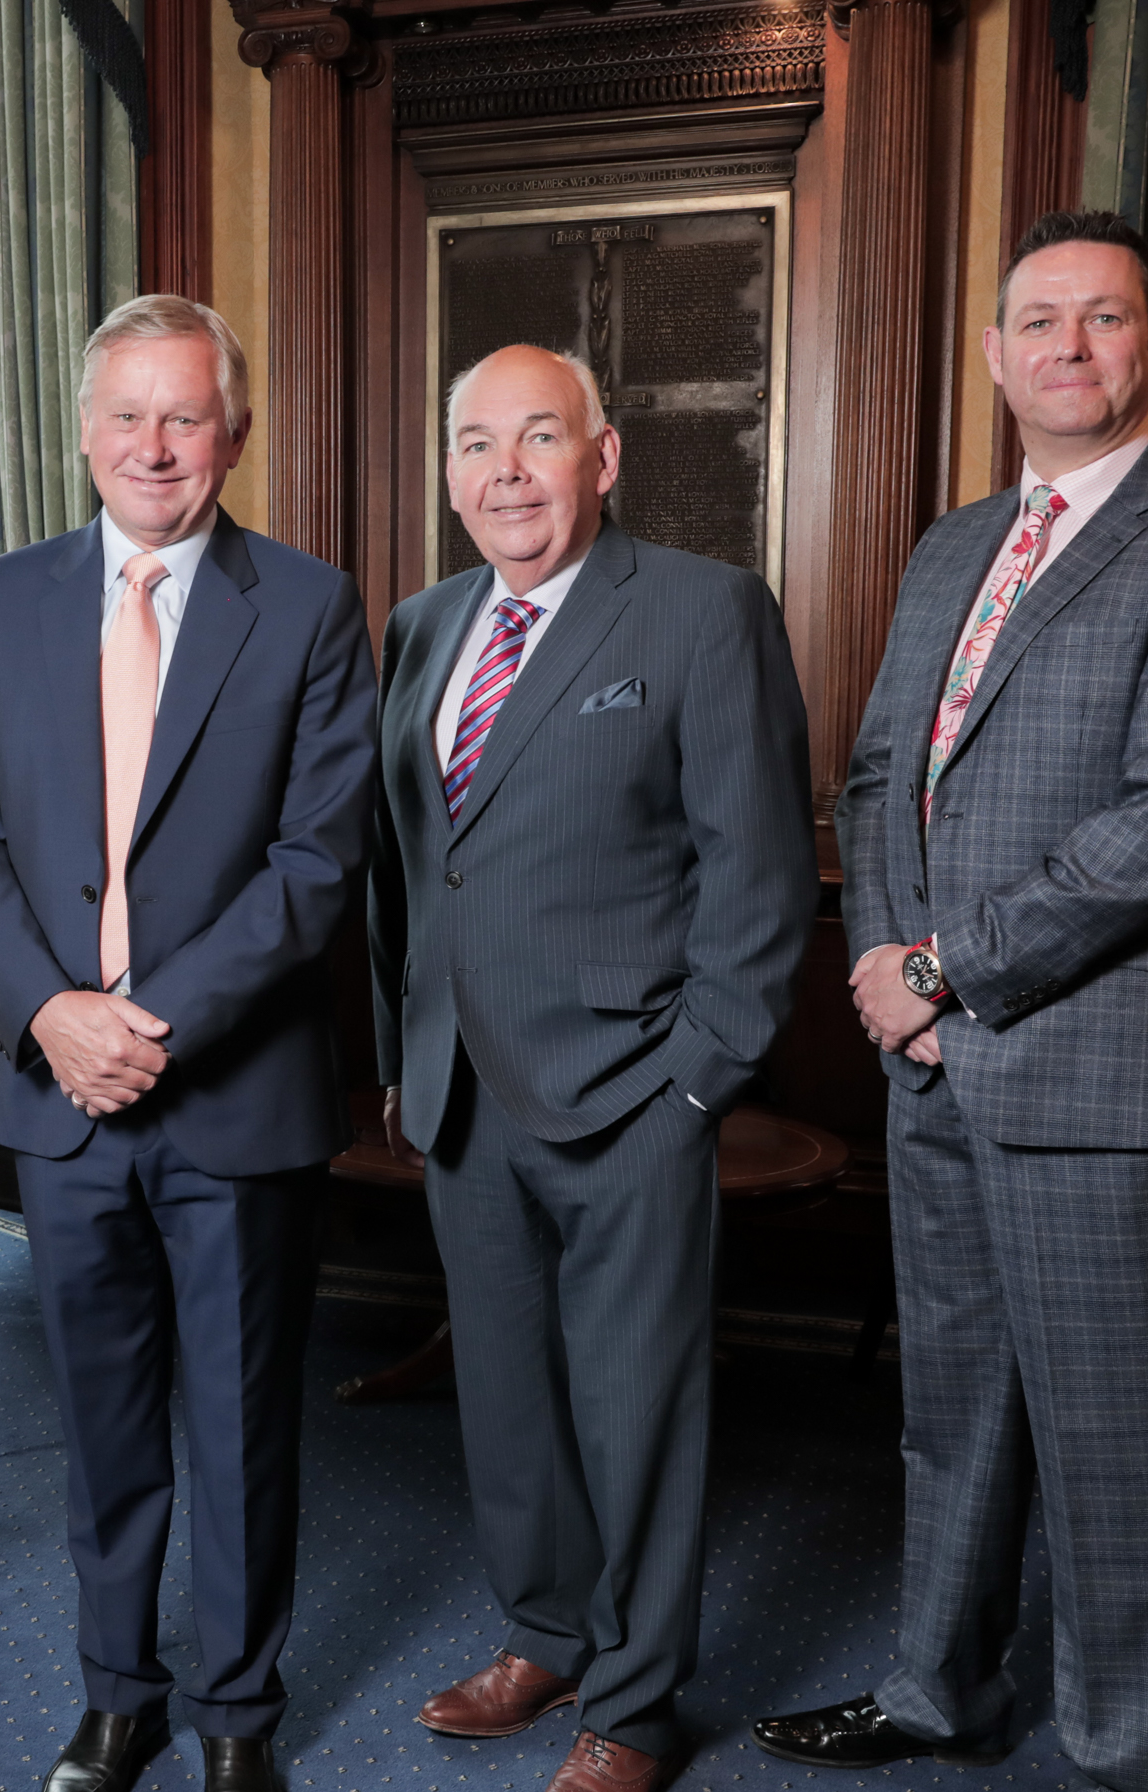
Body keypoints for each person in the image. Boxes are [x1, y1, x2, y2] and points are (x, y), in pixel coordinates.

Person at [751, 211, 1148, 1792]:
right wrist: (893, 974)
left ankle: (1130, 1761)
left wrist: (946, 967)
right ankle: (942, 1692)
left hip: (1102, 1076)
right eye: (1040, 322)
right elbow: (881, 776)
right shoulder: (952, 546)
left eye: (1105, 319)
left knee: (1124, 1463)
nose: (1070, 348)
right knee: (955, 1426)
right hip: (936, 1067)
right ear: (997, 354)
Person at [0, 294, 378, 1792]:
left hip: (232, 1096)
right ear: (82, 432)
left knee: (243, 1428)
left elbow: (317, 866)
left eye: (186, 415)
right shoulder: (4, 599)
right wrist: (56, 1018)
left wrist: (152, 1026)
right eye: (127, 414)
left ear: (233, 434)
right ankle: (119, 1693)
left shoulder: (308, 605)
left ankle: (237, 1714)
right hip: (62, 1098)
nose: (155, 445)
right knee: (102, 1422)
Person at [368, 344, 817, 1792]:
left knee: (637, 1410)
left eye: (538, 438)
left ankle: (632, 1703)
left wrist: (696, 1086)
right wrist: (400, 1054)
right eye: (476, 443)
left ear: (603, 458)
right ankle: (546, 1628)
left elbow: (758, 876)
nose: (505, 471)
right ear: (449, 471)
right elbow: (409, 873)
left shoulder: (700, 612)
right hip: (457, 1095)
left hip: (632, 1094)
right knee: (504, 1398)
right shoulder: (425, 626)